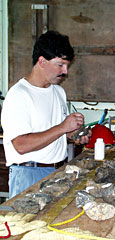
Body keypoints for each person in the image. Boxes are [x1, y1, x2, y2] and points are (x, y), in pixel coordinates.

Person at [1, 30, 91, 199]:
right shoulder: (19, 95)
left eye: (67, 65)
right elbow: (21, 145)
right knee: (25, 225)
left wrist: (74, 134)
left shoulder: (58, 92)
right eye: (60, 65)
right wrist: (63, 127)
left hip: (57, 171)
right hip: (29, 174)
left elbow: (56, 133)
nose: (65, 71)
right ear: (42, 61)